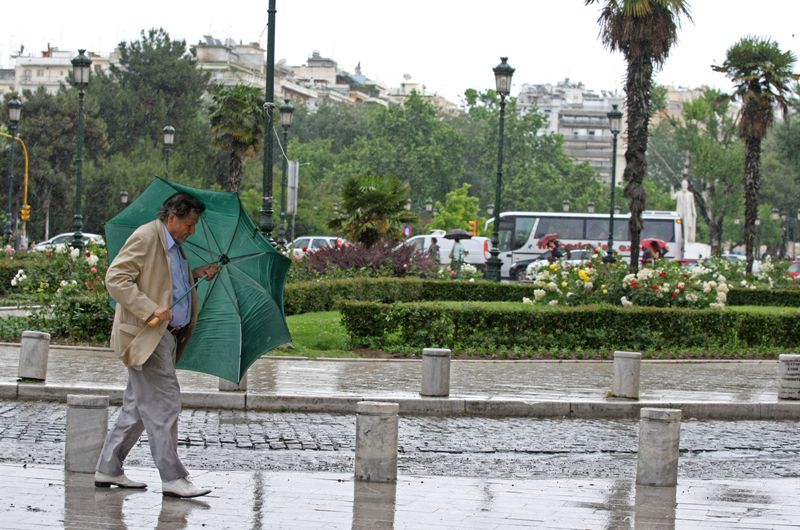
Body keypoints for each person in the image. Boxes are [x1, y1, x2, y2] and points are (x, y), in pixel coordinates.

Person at [95, 193, 220, 499]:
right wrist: (150, 309)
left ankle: (108, 468)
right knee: (165, 402)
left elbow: (165, 282)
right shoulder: (147, 237)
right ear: (172, 218)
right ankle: (173, 477)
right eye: (189, 224)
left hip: (166, 336)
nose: (192, 231)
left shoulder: (175, 246)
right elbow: (116, 278)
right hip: (148, 335)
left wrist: (196, 273)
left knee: (137, 408)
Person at [672, 178, 697, 243]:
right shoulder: (678, 193)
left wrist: (694, 212)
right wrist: (672, 189)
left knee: (687, 226)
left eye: (685, 185)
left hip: (687, 213)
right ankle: (679, 239)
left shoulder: (690, 194)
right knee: (678, 225)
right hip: (679, 213)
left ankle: (686, 239)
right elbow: (673, 197)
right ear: (681, 185)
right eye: (683, 184)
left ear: (687, 185)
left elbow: (692, 204)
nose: (684, 186)